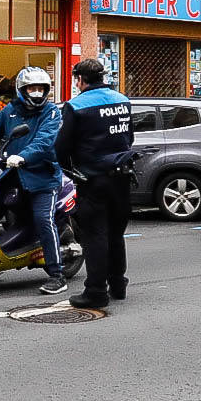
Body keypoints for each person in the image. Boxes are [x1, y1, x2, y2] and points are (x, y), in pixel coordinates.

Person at [0, 67, 66, 294]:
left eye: (41, 89)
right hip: (12, 174)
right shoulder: (10, 111)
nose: (37, 93)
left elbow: (44, 142)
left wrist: (23, 156)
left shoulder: (51, 113)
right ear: (22, 90)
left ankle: (57, 274)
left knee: (43, 220)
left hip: (43, 177)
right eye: (32, 88)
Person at [55, 58, 134, 309]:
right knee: (115, 233)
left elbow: (62, 146)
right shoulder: (122, 100)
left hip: (93, 178)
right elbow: (128, 137)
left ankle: (96, 291)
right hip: (122, 175)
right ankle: (118, 284)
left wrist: (70, 170)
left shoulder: (76, 106)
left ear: (80, 79)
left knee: (95, 235)